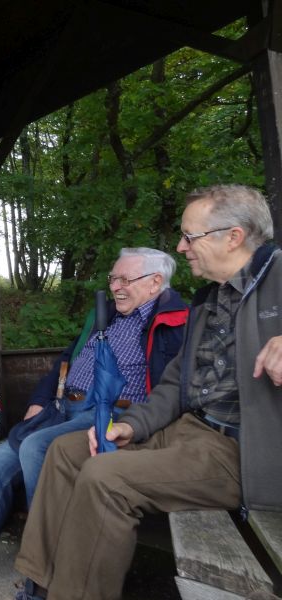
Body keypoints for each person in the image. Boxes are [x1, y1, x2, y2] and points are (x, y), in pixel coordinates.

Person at [14, 184, 282, 600]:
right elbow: (174, 384)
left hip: (239, 453)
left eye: (190, 236)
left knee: (106, 476)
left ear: (234, 236)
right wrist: (129, 426)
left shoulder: (278, 278)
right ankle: (41, 585)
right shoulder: (209, 301)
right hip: (187, 431)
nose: (181, 246)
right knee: (66, 452)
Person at [0, 248, 188, 600]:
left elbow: (173, 390)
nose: (115, 286)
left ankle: (43, 579)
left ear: (154, 283)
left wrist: (134, 423)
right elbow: (65, 360)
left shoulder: (176, 324)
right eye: (113, 278)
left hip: (114, 417)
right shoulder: (106, 318)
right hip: (62, 410)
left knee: (37, 448)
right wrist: (38, 401)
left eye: (125, 279)